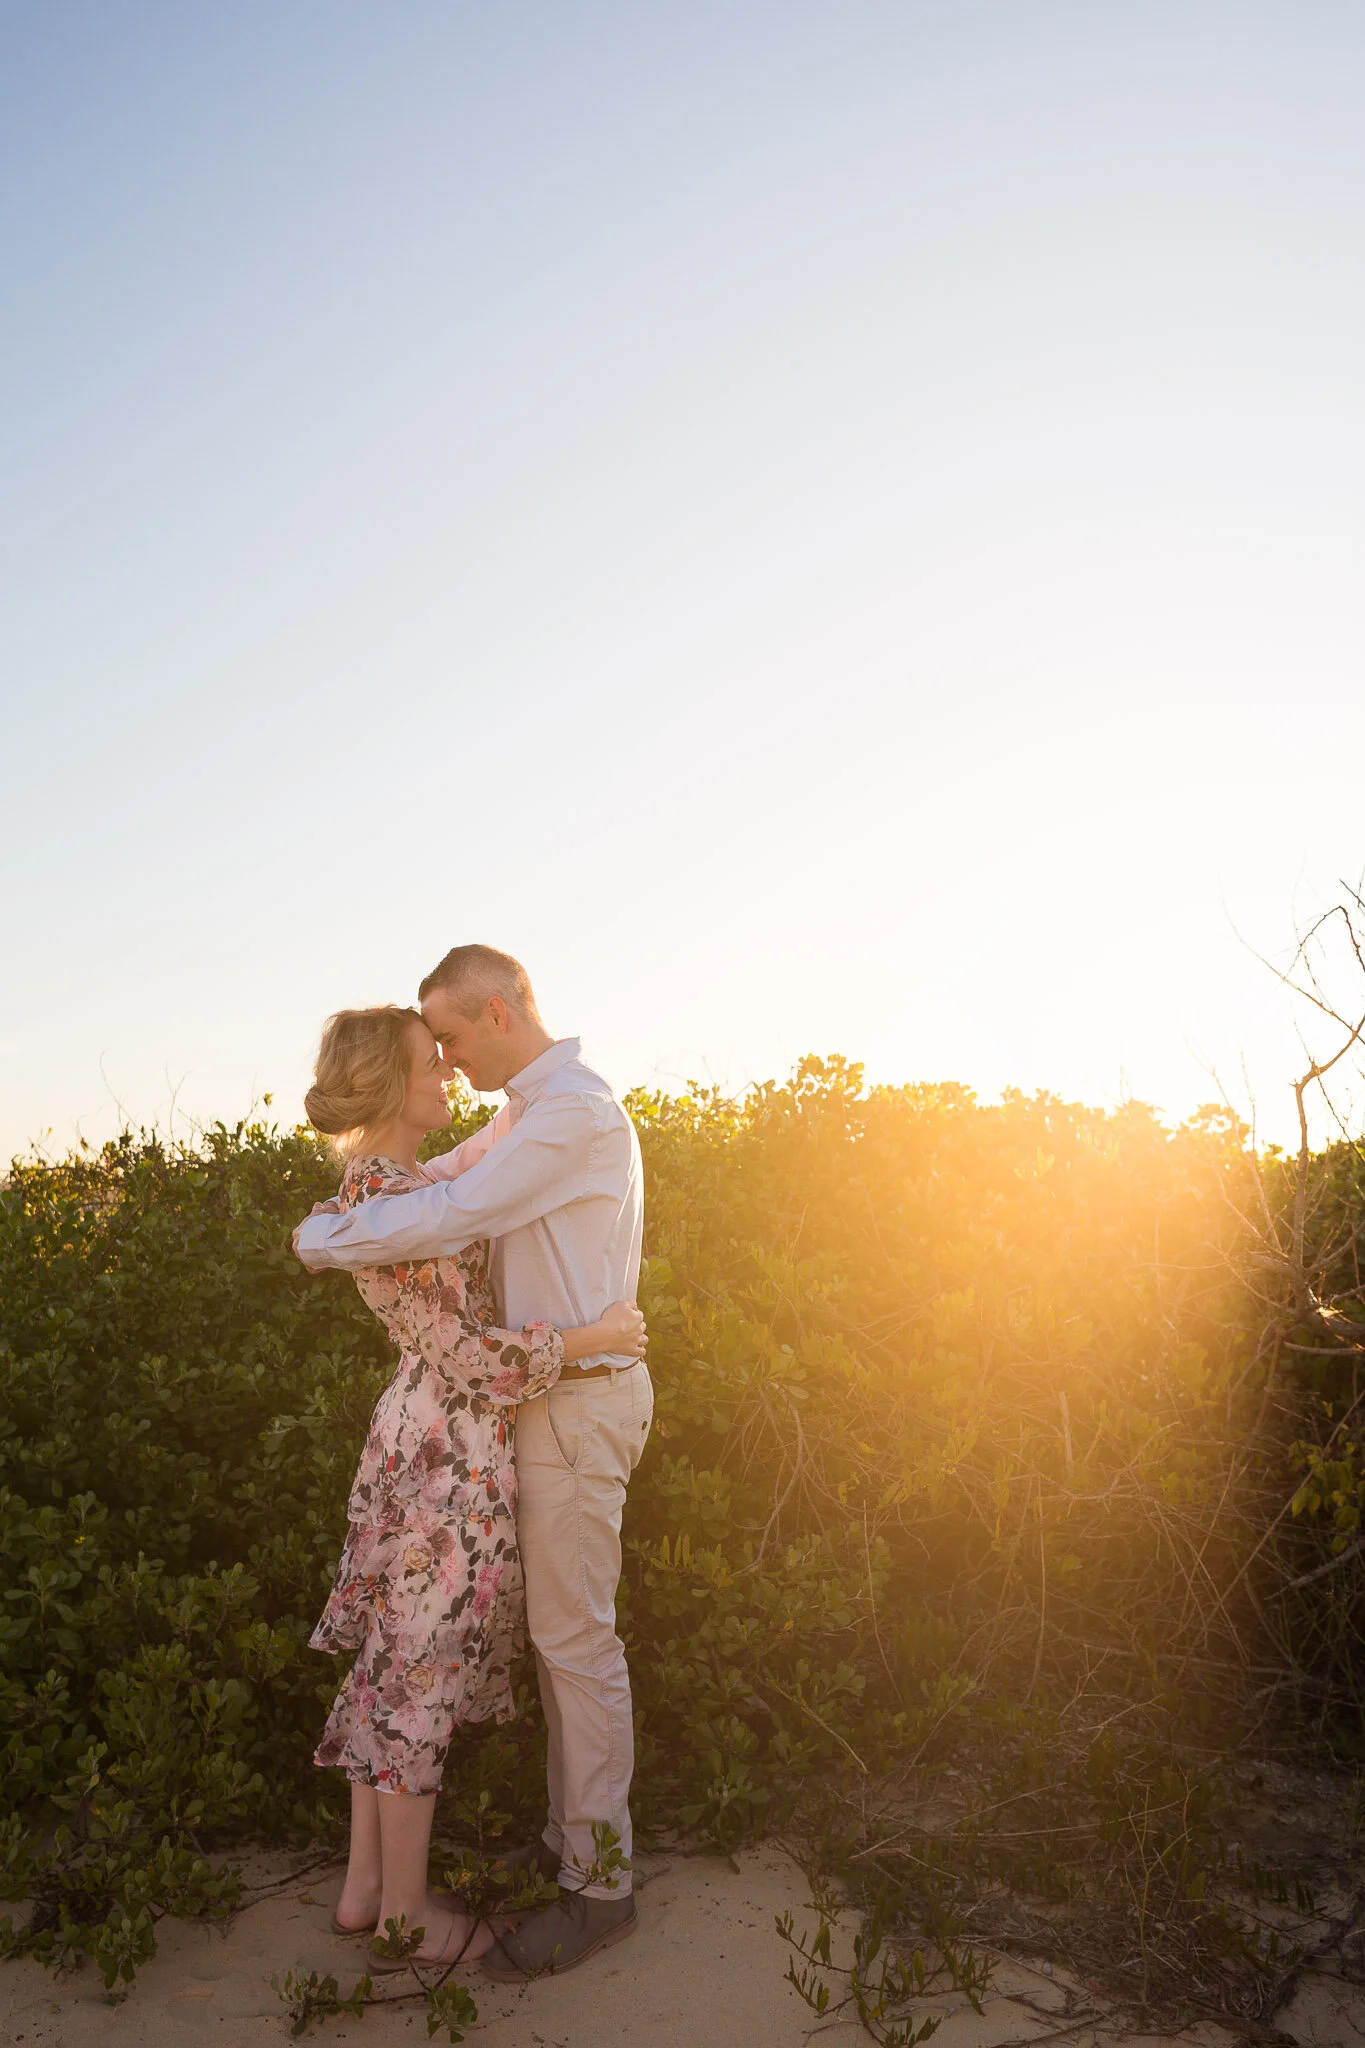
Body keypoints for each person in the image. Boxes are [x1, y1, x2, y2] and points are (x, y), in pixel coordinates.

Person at [295, 946, 651, 1980]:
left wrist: (326, 1234)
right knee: (527, 1646)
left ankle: (599, 1882)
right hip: (516, 1406)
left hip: (573, 1408)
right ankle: (570, 1842)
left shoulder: (569, 1113)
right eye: (428, 1051)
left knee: (573, 1641)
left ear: (497, 1010)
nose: (444, 1061)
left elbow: (451, 1210)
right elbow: (423, 1192)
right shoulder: (518, 1118)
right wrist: (321, 1229)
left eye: (448, 1037)